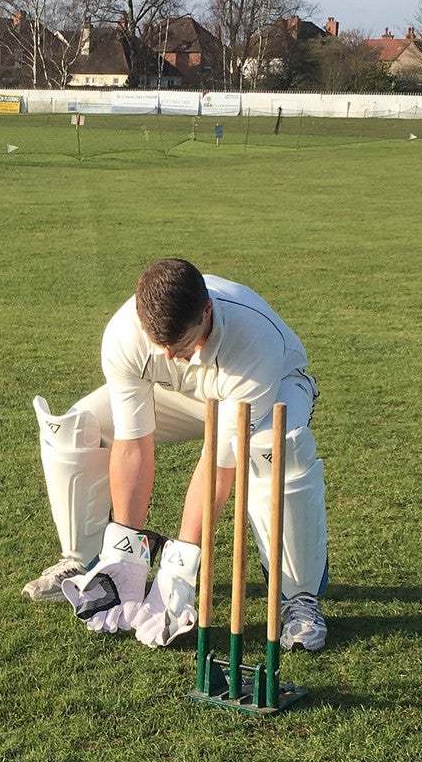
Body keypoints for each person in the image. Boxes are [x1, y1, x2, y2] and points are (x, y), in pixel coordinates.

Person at [25, 258, 329, 652]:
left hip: (273, 385)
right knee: (76, 428)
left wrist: (180, 565)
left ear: (206, 312)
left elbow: (218, 465)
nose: (168, 356)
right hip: (183, 395)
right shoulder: (124, 334)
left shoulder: (253, 339)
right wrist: (127, 549)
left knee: (274, 448)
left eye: (179, 345)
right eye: (159, 346)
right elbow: (133, 445)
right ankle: (91, 563)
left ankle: (297, 598)